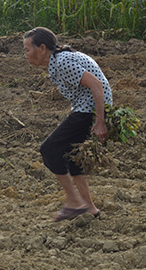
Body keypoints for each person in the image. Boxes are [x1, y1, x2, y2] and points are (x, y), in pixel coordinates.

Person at [24, 27, 111, 221]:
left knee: (49, 149)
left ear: (42, 48)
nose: (26, 55)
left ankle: (73, 201)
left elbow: (96, 84)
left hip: (89, 110)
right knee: (73, 158)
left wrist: (100, 121)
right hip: (85, 108)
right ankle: (90, 208)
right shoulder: (58, 62)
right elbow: (82, 88)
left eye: (27, 49)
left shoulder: (62, 63)